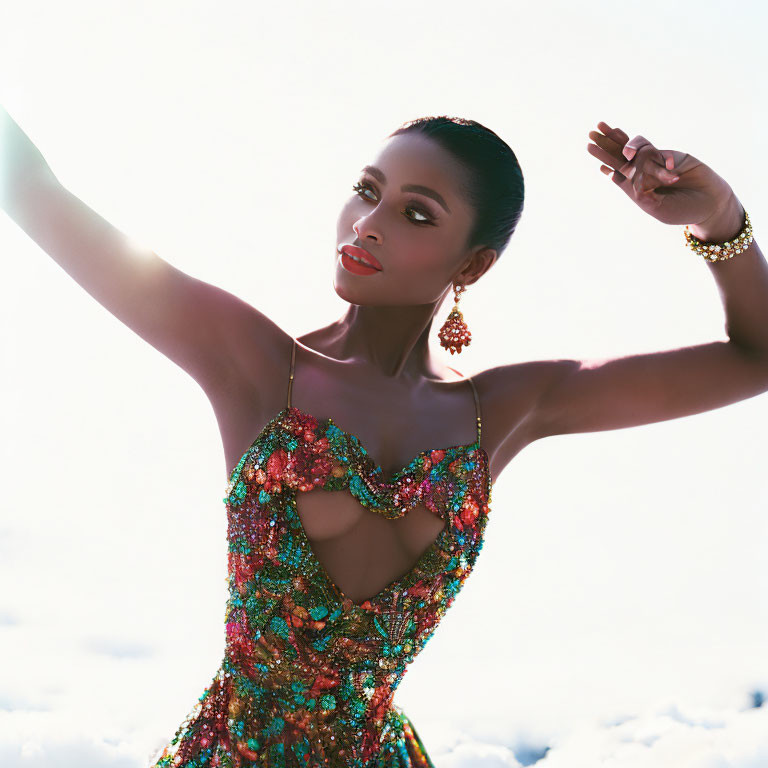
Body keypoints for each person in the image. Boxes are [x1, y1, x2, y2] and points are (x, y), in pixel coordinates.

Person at [2, 108, 767, 768]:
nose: (367, 222)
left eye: (416, 212)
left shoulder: (503, 409)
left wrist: (721, 218)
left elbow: (757, 359)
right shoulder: (260, 368)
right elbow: (33, 191)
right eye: (367, 191)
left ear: (474, 263)